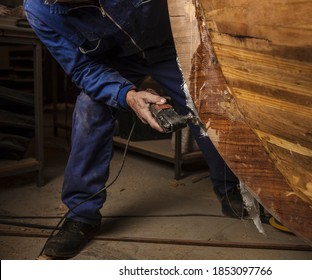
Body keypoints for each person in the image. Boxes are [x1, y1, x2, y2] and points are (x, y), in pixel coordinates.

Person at [24, 0, 247, 258]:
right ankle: (81, 216)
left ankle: (229, 188)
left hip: (169, 46)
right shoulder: (39, 10)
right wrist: (127, 95)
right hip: (114, 62)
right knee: (89, 110)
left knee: (208, 103)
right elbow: (82, 69)